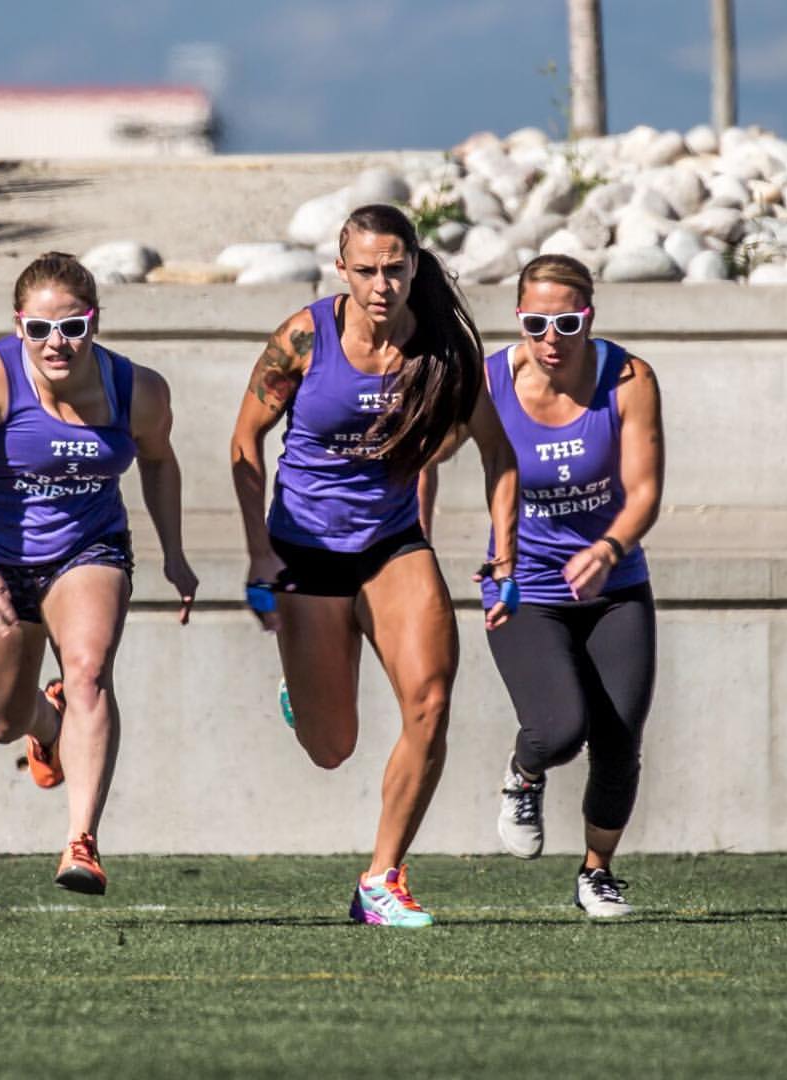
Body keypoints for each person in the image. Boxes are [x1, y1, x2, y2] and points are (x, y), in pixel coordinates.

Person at [230, 204, 519, 928]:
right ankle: (304, 689)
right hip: (305, 549)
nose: (382, 285)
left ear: (415, 267)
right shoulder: (304, 336)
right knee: (333, 748)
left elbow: (498, 451)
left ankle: (381, 879)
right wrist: (259, 552)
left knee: (430, 701)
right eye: (366, 271)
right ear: (342, 270)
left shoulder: (444, 349)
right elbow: (244, 441)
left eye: (395, 268)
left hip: (392, 543)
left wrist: (502, 553)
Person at [0, 251, 197, 896]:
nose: (55, 344)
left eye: (71, 327)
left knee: (91, 669)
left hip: (88, 550)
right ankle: (47, 723)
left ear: (94, 322)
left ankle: (81, 842)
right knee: (0, 721)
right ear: (19, 328)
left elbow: (158, 460)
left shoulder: (138, 389)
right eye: (39, 330)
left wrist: (173, 552)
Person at [477, 253, 664, 917]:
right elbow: (426, 460)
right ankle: (524, 774)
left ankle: (597, 872)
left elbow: (644, 491)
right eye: (535, 322)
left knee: (619, 739)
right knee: (560, 730)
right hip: (523, 587)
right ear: (518, 321)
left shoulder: (629, 377)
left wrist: (610, 547)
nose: (550, 337)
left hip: (615, 585)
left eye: (565, 321)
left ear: (589, 315)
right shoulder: (489, 381)